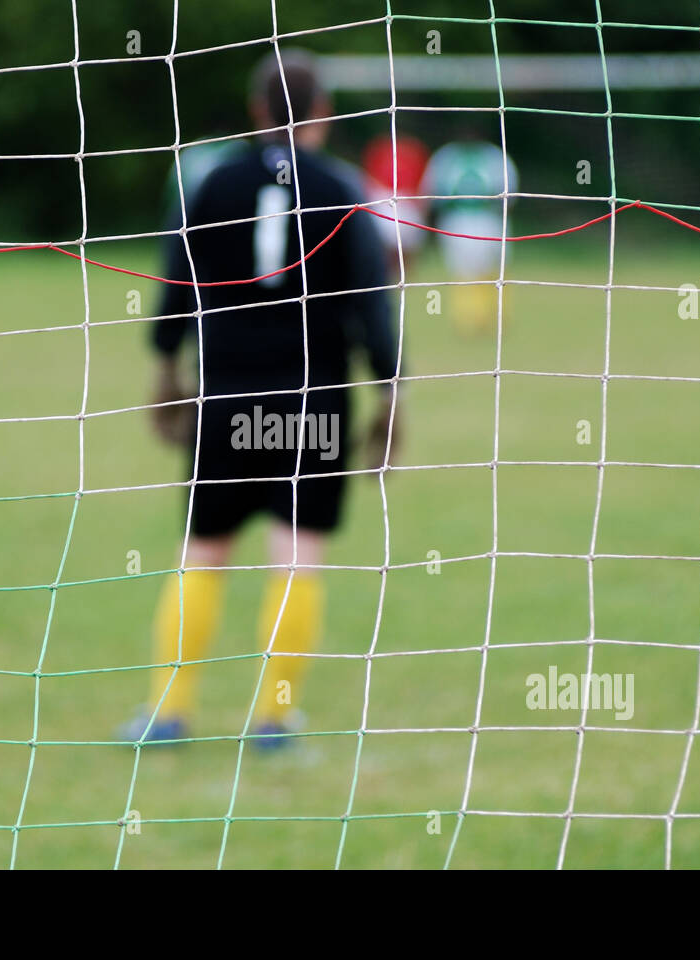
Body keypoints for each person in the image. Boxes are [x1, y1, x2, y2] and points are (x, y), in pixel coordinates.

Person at [122, 50, 401, 749]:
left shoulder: (214, 182)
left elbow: (176, 281)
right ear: (322, 113)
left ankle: (168, 712)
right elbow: (373, 303)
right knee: (297, 555)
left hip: (225, 397)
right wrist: (391, 393)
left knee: (203, 550)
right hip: (312, 403)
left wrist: (165, 368)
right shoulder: (341, 190)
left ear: (256, 111)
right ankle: (275, 720)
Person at [423, 132, 518, 335]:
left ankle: (492, 314)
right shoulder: (447, 157)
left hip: (487, 218)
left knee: (490, 268)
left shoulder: (493, 156)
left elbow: (508, 193)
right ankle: (469, 317)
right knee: (464, 270)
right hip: (457, 219)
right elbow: (432, 192)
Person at [361, 133, 431, 273]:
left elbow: (423, 182)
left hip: (408, 201)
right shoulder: (379, 149)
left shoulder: (415, 149)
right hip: (384, 200)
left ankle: (403, 275)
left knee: (407, 248)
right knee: (385, 246)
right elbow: (370, 179)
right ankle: (386, 272)